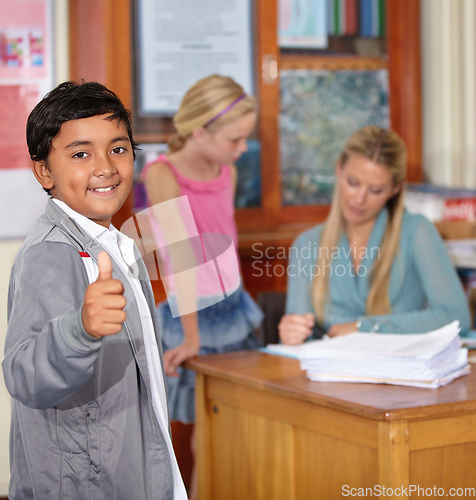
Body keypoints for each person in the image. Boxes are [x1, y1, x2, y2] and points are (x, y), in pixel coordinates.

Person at [2, 81, 187, 499]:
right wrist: (79, 330)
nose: (105, 167)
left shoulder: (117, 245)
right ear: (44, 171)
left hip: (132, 469)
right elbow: (26, 373)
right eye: (81, 154)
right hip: (85, 485)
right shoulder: (51, 254)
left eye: (118, 149)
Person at [141, 74, 263, 498]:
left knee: (242, 432)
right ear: (199, 132)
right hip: (192, 317)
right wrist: (191, 337)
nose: (242, 149)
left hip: (234, 312)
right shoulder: (162, 175)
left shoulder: (225, 170)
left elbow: (223, 242)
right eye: (235, 139)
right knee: (206, 438)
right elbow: (184, 257)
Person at [279, 125, 471, 344]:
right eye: (353, 183)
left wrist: (365, 328)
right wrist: (292, 332)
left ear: (395, 189)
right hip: (329, 373)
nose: (359, 199)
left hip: (401, 373)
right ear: (339, 169)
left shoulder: (417, 233)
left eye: (376, 190)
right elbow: (299, 331)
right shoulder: (306, 245)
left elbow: (456, 317)